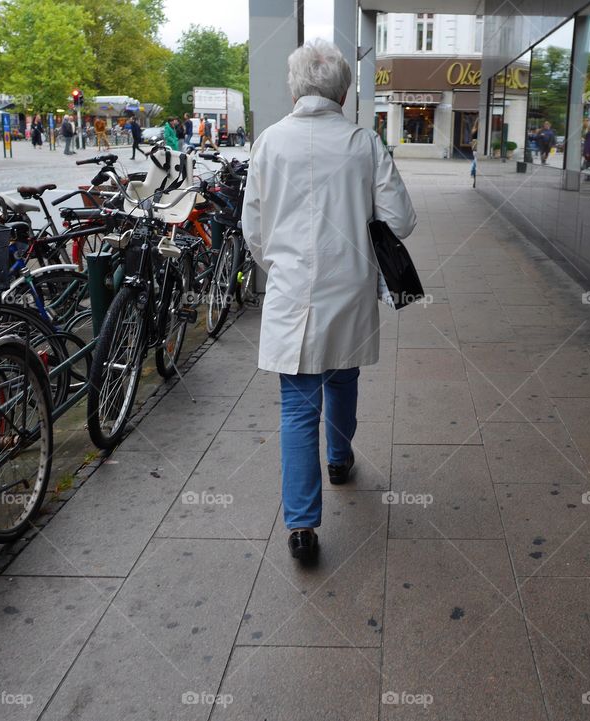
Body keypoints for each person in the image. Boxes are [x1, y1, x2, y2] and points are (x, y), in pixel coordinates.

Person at [241, 39, 417, 563]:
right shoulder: (364, 143)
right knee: (343, 373)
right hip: (350, 289)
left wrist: (281, 267)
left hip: (294, 294)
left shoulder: (268, 143)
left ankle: (301, 527)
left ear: (295, 88)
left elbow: (253, 229)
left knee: (297, 407)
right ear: (343, 90)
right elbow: (402, 220)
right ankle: (340, 461)